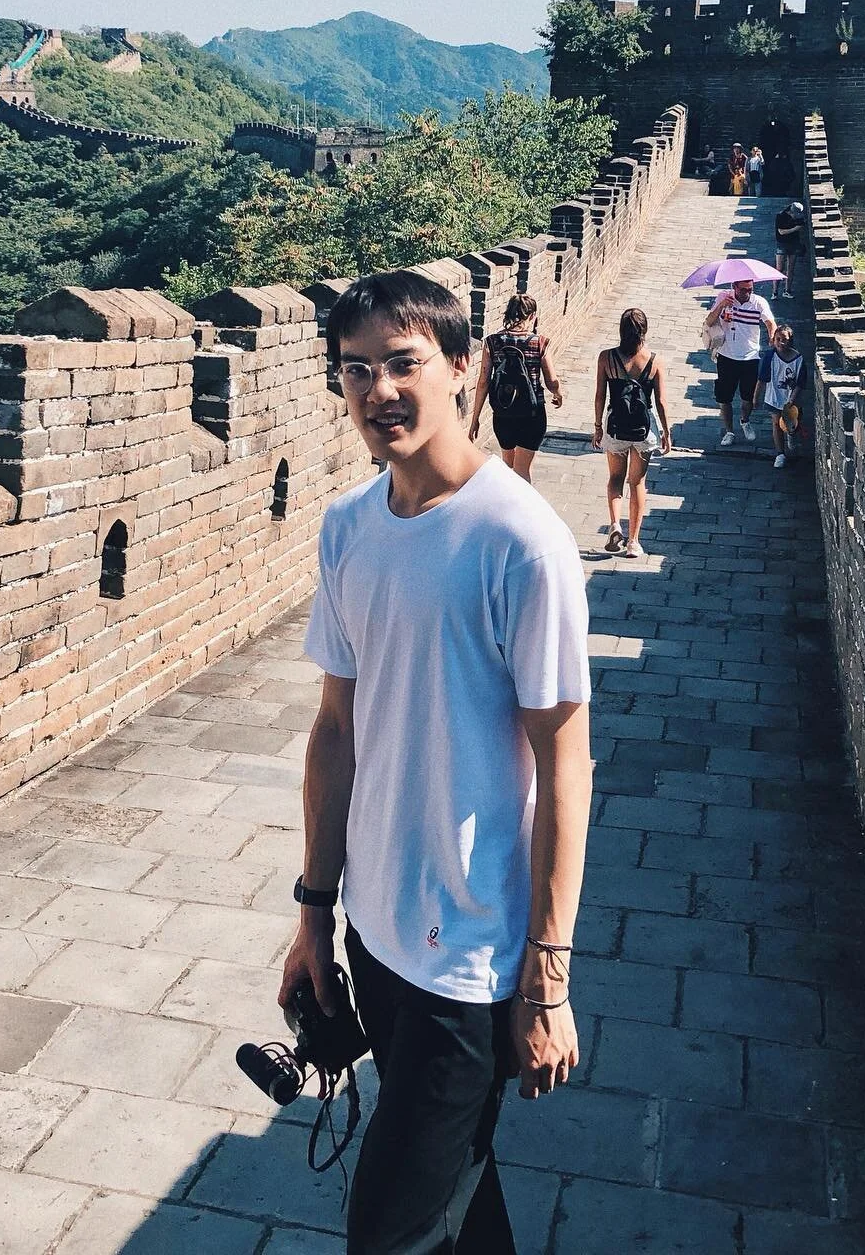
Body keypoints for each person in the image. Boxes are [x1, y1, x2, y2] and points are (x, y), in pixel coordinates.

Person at [283, 270, 592, 1254]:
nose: (378, 390)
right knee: (457, 1198)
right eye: (355, 369)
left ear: (463, 367)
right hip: (375, 936)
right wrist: (314, 913)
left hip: (472, 961)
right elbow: (336, 731)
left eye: (402, 363)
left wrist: (547, 979)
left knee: (389, 1230)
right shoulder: (348, 527)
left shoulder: (521, 540)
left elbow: (567, 768)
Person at [592, 308, 671, 558]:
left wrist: (597, 427)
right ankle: (634, 542)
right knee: (637, 482)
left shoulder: (606, 358)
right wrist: (666, 431)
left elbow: (600, 396)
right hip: (643, 431)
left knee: (615, 477)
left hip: (616, 427)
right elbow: (661, 402)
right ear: (644, 331)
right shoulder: (654, 361)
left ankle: (615, 524)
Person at [469, 293, 563, 486]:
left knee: (508, 465)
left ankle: (503, 500)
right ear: (532, 316)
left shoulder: (492, 342)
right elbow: (551, 381)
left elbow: (483, 382)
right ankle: (521, 504)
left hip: (503, 413)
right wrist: (557, 393)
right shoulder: (540, 342)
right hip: (532, 414)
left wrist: (475, 419)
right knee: (523, 471)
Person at [705, 277, 776, 446]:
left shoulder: (758, 302)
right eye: (743, 290)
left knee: (748, 397)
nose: (747, 293)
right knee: (724, 398)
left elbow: (770, 322)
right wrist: (722, 305)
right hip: (726, 355)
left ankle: (745, 420)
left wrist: (772, 336)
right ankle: (729, 431)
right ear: (734, 287)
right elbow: (709, 321)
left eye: (750, 289)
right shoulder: (723, 297)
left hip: (749, 357)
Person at [756, 323, 807, 469]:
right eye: (778, 339)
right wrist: (755, 397)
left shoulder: (798, 359)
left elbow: (800, 383)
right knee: (776, 423)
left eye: (784, 340)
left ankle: (791, 434)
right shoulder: (769, 357)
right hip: (774, 396)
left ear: (790, 341)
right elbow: (762, 379)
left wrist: (791, 401)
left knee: (791, 423)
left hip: (792, 397)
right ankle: (780, 454)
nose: (781, 343)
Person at [774, 200, 805, 299]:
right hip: (782, 244)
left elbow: (802, 224)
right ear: (791, 212)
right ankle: (775, 292)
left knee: (791, 268)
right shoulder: (780, 216)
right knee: (779, 269)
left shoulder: (799, 217)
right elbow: (781, 232)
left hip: (794, 243)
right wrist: (795, 228)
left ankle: (787, 291)